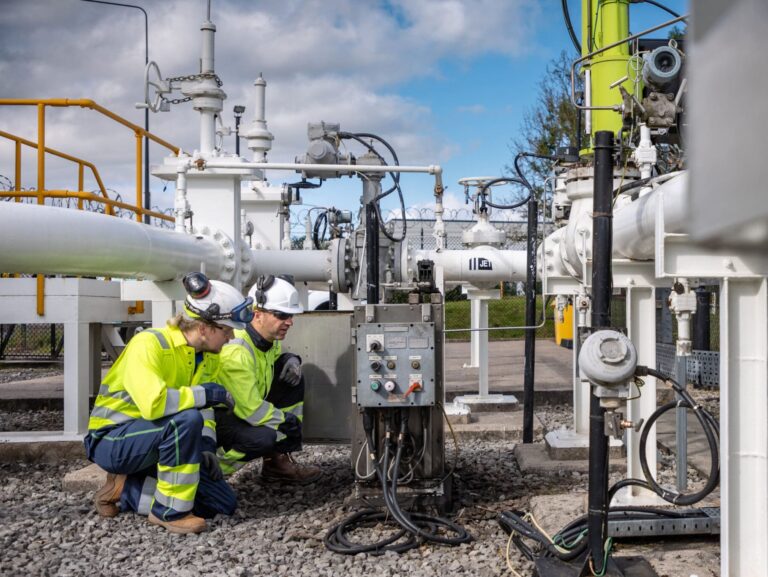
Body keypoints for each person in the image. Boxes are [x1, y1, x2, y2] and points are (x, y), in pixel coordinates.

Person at [83, 272, 254, 534]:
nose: (231, 336)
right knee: (186, 420)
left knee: (222, 503)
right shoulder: (149, 344)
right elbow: (155, 403)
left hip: (158, 437)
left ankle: (127, 488)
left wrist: (206, 447)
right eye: (227, 329)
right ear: (204, 327)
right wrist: (203, 395)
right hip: (112, 440)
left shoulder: (209, 357)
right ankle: (169, 513)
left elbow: (204, 411)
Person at [215, 275, 321, 483]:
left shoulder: (269, 339)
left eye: (291, 315)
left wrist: (290, 359)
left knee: (291, 376)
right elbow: (250, 410)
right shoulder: (237, 350)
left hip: (245, 406)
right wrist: (285, 422)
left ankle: (276, 462)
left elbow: (270, 365)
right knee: (262, 438)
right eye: (281, 315)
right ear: (257, 314)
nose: (289, 322)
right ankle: (214, 471)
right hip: (223, 418)